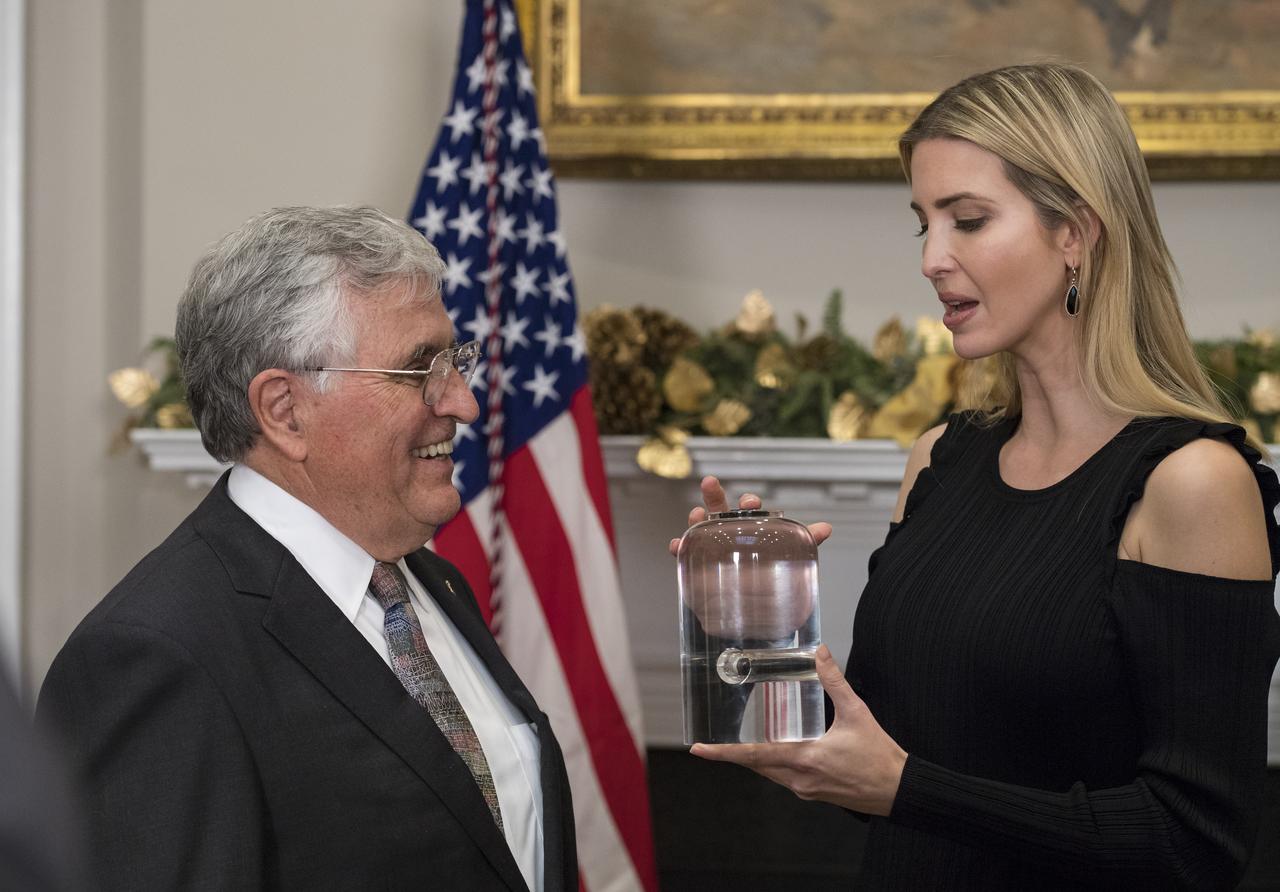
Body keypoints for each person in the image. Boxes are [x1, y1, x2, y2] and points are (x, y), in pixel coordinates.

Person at [678, 63, 1280, 889]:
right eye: (922, 223)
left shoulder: (1192, 483)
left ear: (1075, 231)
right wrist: (750, 627)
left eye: (967, 220)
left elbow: (1196, 841)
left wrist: (910, 792)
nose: (932, 258)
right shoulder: (939, 458)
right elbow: (868, 757)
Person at [37, 206, 576, 891]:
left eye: (455, 361)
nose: (464, 404)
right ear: (285, 411)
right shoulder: (156, 655)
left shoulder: (433, 585)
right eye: (420, 371)